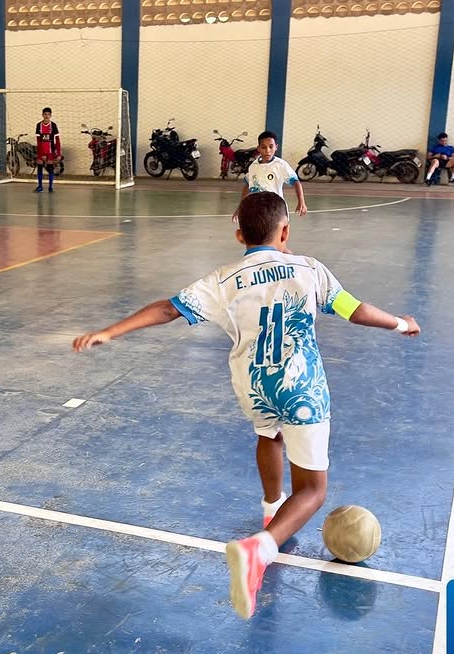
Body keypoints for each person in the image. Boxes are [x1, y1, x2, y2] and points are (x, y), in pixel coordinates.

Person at [72, 192, 421, 620]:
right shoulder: (309, 269)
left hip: (254, 384)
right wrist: (401, 323)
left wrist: (110, 331)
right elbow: (356, 310)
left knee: (268, 433)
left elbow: (167, 309)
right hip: (301, 388)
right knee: (313, 490)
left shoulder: (223, 279)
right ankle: (262, 548)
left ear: (239, 236)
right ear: (285, 231)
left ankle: (272, 508)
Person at [232, 130, 306, 221]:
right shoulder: (253, 166)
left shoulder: (280, 165)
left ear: (276, 147)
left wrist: (301, 202)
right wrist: (240, 207)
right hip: (258, 210)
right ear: (258, 149)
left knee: (277, 230)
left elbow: (296, 182)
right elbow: (248, 185)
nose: (267, 150)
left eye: (271, 147)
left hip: (276, 210)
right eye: (263, 147)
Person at [34, 107, 61, 193]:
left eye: (48, 114)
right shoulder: (39, 125)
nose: (46, 116)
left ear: (50, 115)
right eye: (45, 114)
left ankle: (50, 187)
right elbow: (38, 141)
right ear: (42, 115)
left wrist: (58, 153)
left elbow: (57, 140)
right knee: (39, 167)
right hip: (41, 151)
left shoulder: (53, 125)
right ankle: (40, 186)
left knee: (50, 168)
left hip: (50, 151)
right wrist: (41, 154)